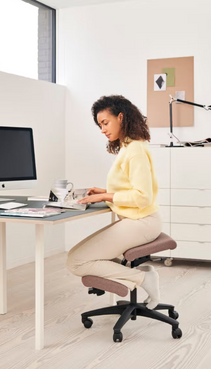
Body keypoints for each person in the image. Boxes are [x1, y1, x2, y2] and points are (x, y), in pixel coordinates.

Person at [66, 95, 162, 309]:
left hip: (142, 222)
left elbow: (142, 196)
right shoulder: (129, 147)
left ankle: (142, 279)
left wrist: (104, 196)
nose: (102, 130)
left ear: (121, 117)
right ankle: (141, 275)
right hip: (137, 220)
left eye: (105, 123)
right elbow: (131, 188)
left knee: (76, 261)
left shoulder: (135, 150)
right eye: (100, 125)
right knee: (78, 257)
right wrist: (104, 191)